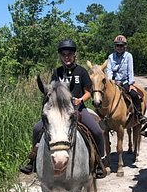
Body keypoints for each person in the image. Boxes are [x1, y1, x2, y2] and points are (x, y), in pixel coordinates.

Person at [20, 39, 106, 178]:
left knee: (96, 131)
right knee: (37, 128)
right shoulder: (57, 72)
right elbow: (52, 90)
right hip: (60, 110)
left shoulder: (82, 72)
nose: (67, 57)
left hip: (78, 109)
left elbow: (89, 92)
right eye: (64, 54)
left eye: (70, 54)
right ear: (60, 56)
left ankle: (98, 161)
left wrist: (80, 100)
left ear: (74, 55)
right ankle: (33, 160)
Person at [106, 35, 147, 127]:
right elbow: (108, 70)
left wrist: (131, 83)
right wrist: (110, 81)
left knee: (134, 94)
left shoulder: (128, 56)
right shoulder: (111, 57)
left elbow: (130, 70)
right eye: (118, 45)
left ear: (125, 46)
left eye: (121, 46)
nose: (119, 47)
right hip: (113, 82)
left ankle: (139, 115)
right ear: (115, 46)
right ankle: (103, 116)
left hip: (125, 82)